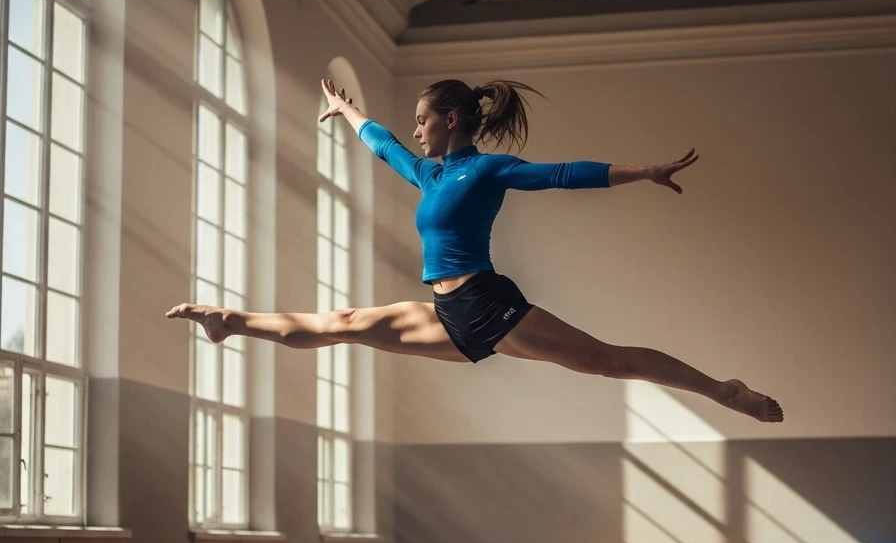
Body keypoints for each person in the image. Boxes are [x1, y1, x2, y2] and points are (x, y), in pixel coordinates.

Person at [167, 77, 782, 423]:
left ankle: (722, 391)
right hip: (448, 315)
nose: (415, 130)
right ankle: (231, 323)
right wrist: (345, 109)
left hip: (487, 305)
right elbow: (382, 145)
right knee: (345, 323)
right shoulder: (429, 175)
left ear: (453, 118)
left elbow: (562, 174)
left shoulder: (488, 169)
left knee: (608, 362)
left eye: (423, 119)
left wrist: (641, 170)